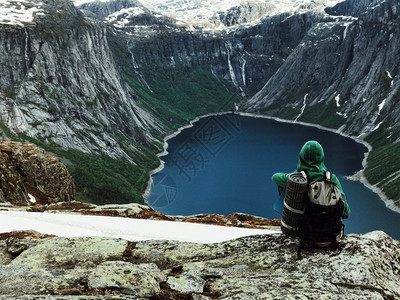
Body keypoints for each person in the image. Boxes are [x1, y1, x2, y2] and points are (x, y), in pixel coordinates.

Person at [272, 140, 350, 219]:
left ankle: (291, 217)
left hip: (300, 229)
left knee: (285, 184)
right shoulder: (331, 179)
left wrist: (294, 174)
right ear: (322, 157)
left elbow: (275, 177)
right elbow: (346, 213)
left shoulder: (297, 178)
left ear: (302, 157)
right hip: (330, 229)